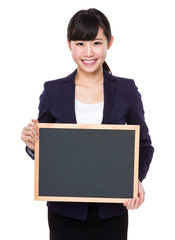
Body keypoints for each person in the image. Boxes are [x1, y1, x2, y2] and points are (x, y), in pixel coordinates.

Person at [21, 8, 154, 240]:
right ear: (69, 44)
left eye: (96, 42)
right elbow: (46, 147)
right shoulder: (53, 91)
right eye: (80, 43)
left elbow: (144, 145)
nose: (89, 52)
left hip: (112, 211)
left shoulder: (126, 90)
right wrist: (33, 144)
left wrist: (136, 179)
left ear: (109, 43)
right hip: (64, 212)